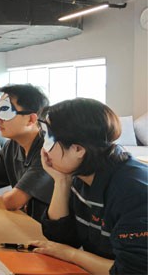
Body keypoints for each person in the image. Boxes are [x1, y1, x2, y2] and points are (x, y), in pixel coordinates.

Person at [29, 98, 147, 274]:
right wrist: (61, 181)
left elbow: (131, 271)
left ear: (78, 149)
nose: (44, 150)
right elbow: (60, 240)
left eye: (49, 139)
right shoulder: (83, 173)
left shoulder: (135, 193)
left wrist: (71, 254)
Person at [0, 84, 53, 221]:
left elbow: (12, 201)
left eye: (6, 111)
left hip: (44, 229)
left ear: (31, 119)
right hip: (24, 221)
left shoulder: (48, 150)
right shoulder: (13, 145)